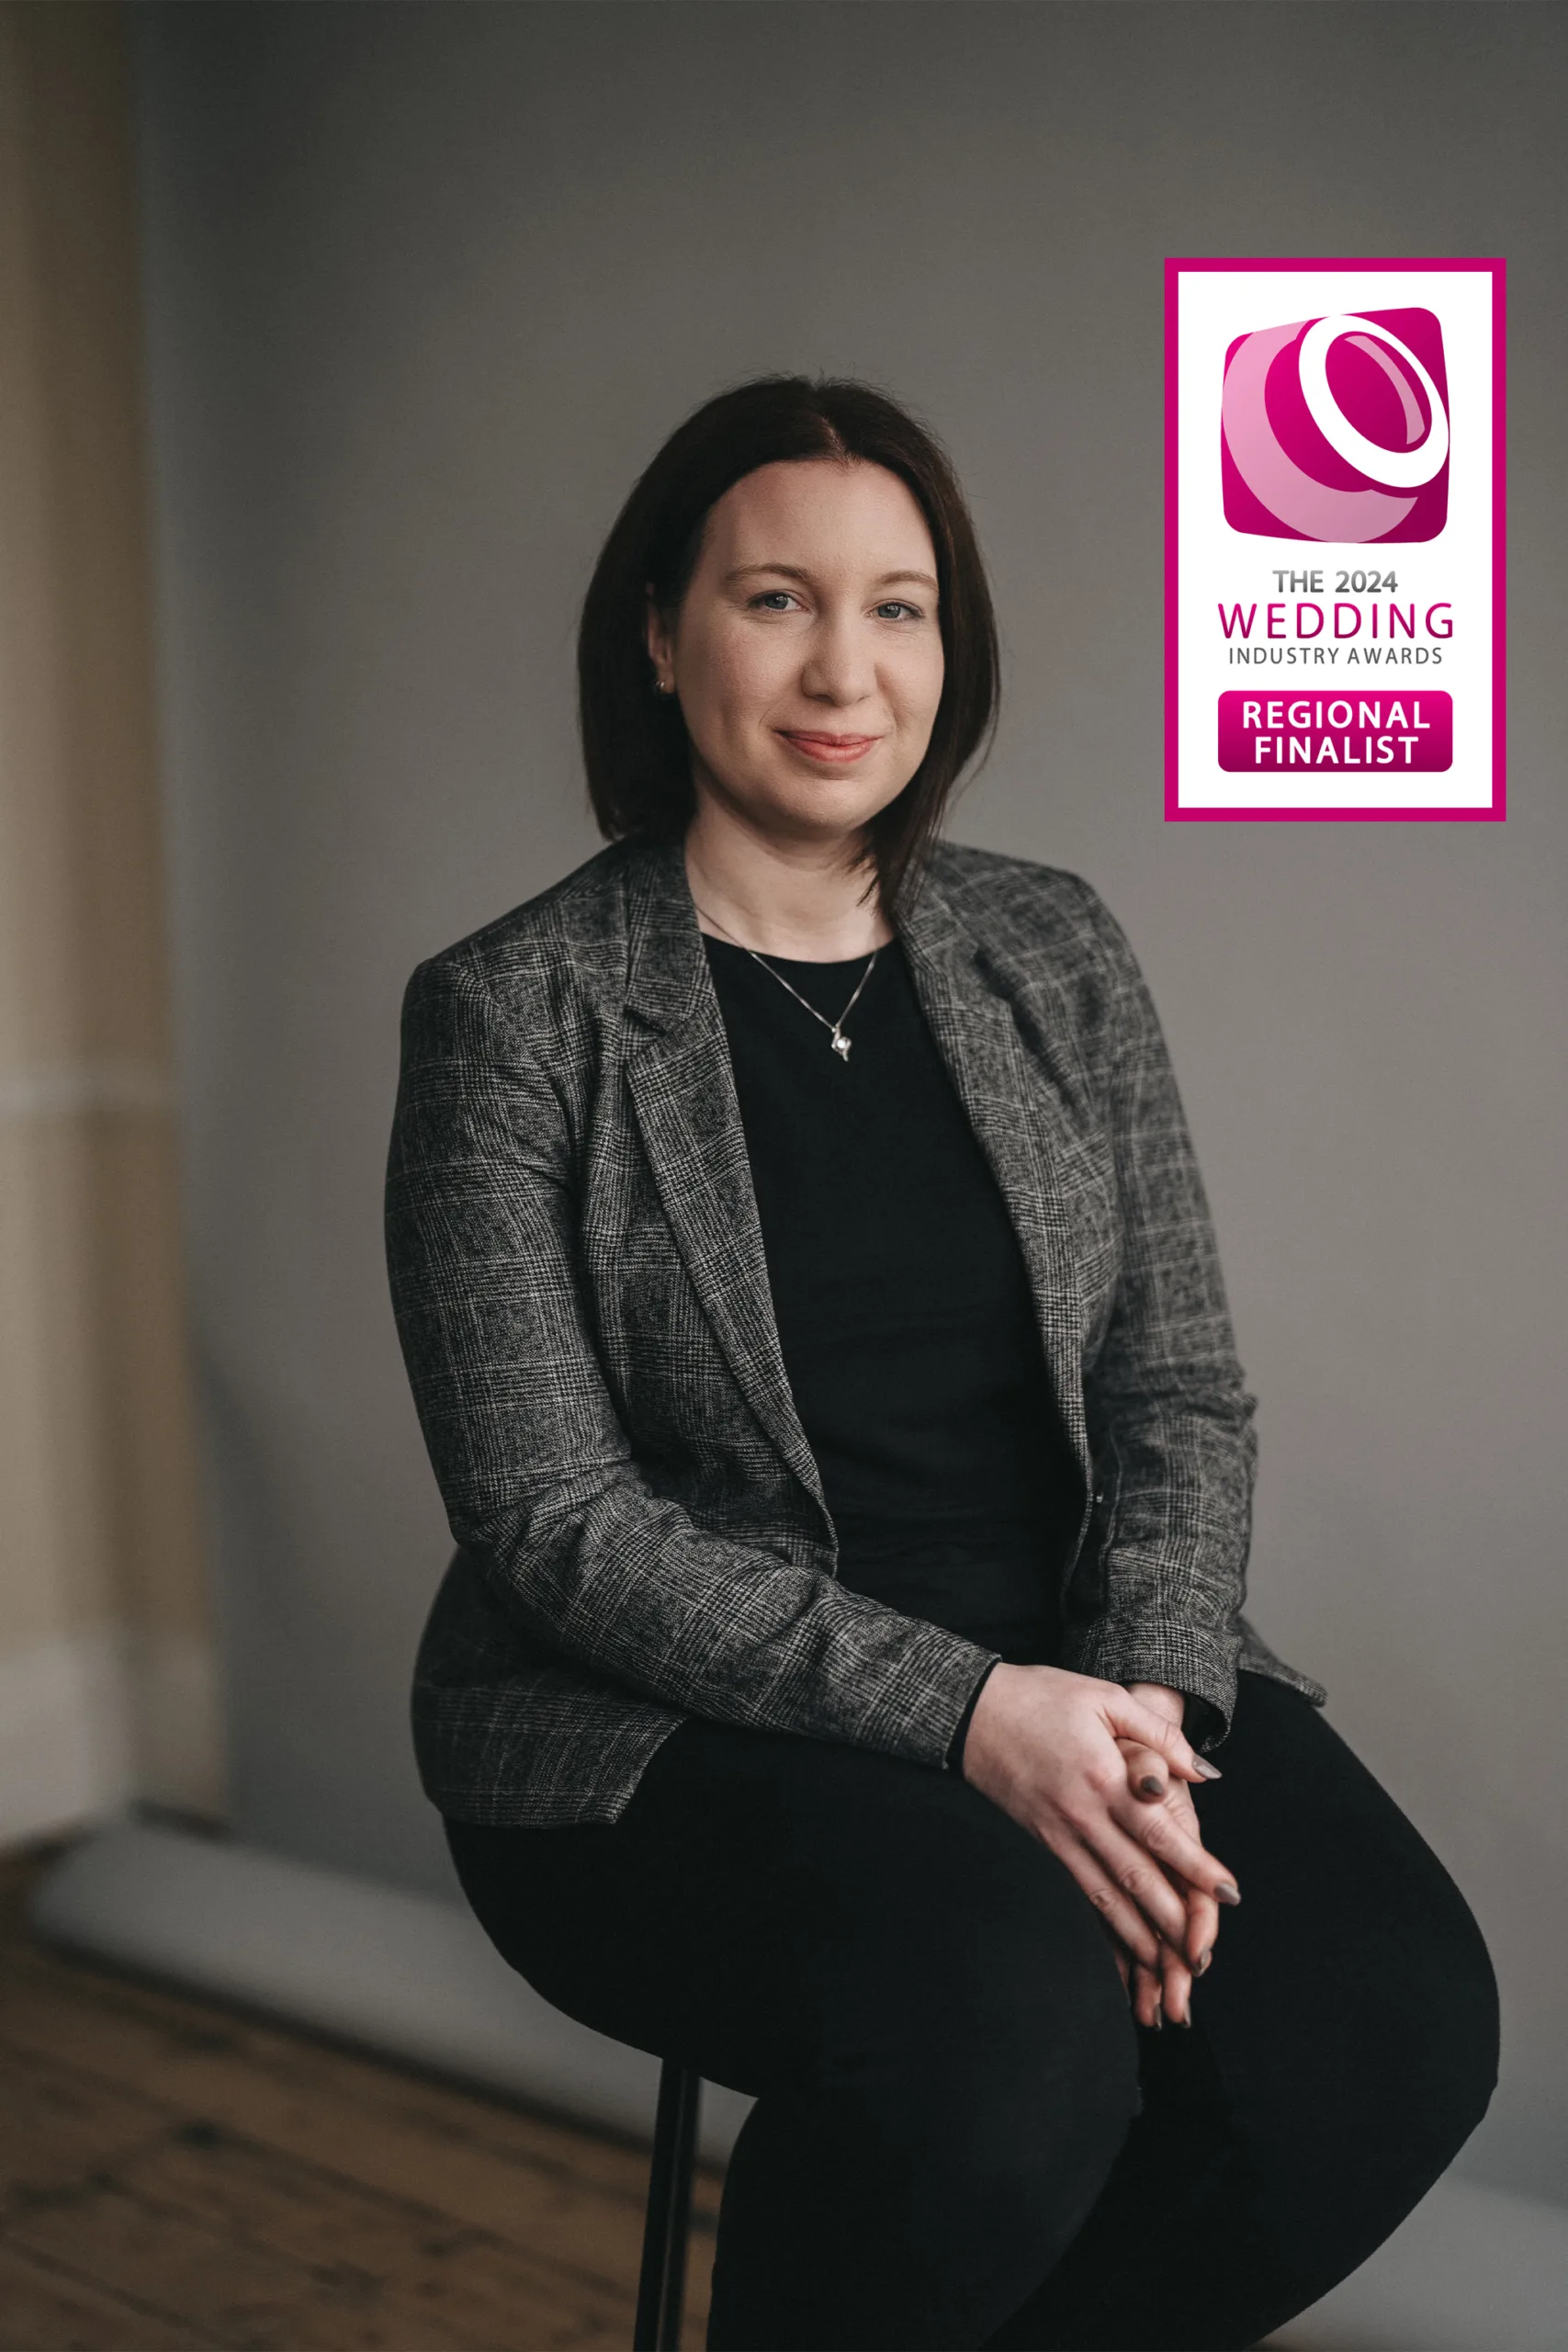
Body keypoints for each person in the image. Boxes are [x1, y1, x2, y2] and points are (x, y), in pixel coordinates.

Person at [384, 376, 1498, 2351]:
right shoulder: (512, 1011)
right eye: (775, 598)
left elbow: (1175, 1383)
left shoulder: (1048, 947)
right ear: (658, 633)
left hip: (1071, 1648)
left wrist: (1144, 1701)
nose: (846, 666)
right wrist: (980, 1713)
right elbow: (554, 1524)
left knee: (1387, 2026)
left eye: (899, 606)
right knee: (1004, 2026)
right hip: (676, 1714)